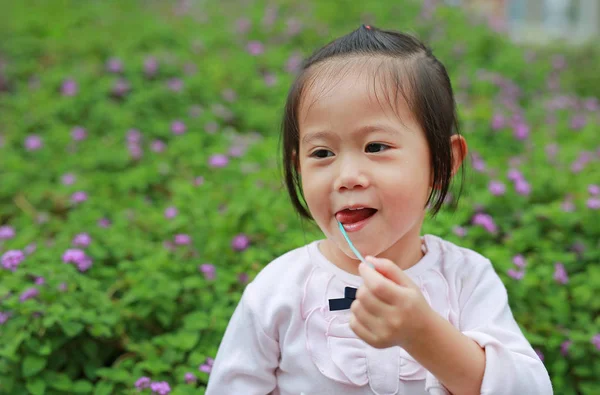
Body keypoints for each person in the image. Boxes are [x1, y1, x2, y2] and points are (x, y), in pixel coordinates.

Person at [205, 25, 553, 395]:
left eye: (376, 147)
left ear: (441, 163)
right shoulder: (279, 290)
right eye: (322, 153)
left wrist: (424, 334)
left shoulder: (466, 280)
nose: (347, 177)